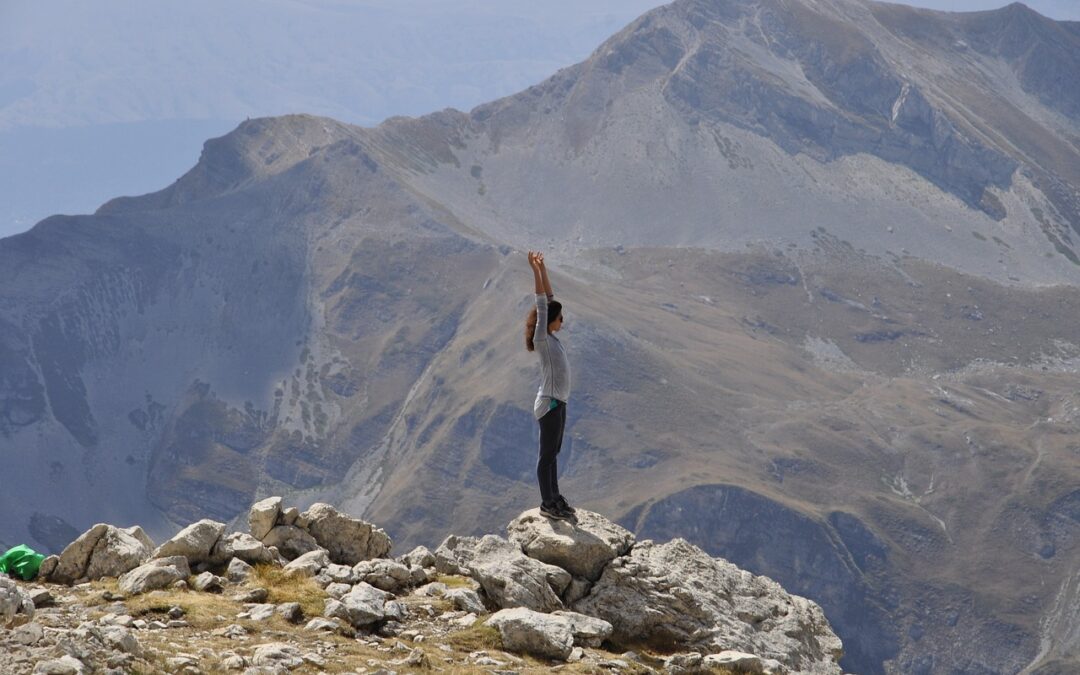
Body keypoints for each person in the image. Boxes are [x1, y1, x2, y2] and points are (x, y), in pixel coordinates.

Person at [526, 250, 576, 521]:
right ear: (550, 321)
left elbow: (550, 300)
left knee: (554, 453)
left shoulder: (552, 339)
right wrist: (534, 273)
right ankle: (547, 503)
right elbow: (543, 304)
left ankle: (555, 497)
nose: (562, 321)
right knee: (546, 456)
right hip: (550, 403)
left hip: (559, 401)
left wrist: (543, 269)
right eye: (560, 318)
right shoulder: (543, 339)